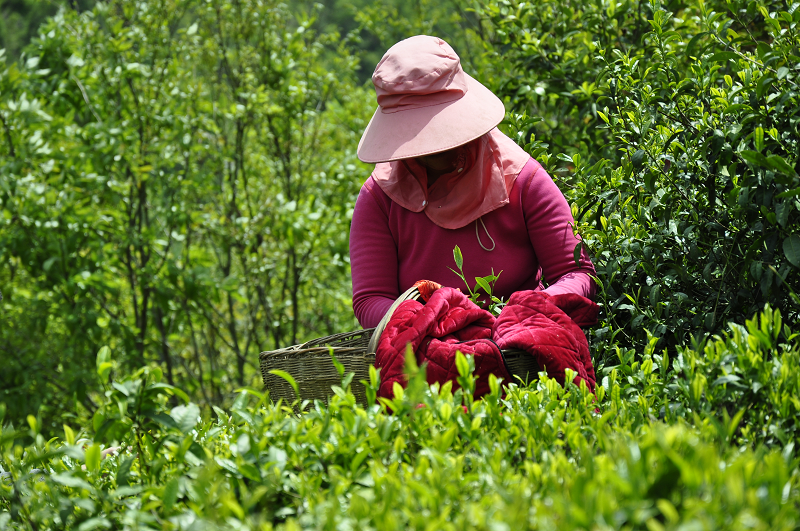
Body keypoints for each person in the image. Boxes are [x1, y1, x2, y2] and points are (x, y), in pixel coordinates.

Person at [350, 35, 596, 328]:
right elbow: (371, 299)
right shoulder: (380, 198)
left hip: (520, 345)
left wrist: (525, 312)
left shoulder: (521, 179)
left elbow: (577, 273)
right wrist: (435, 321)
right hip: (425, 352)